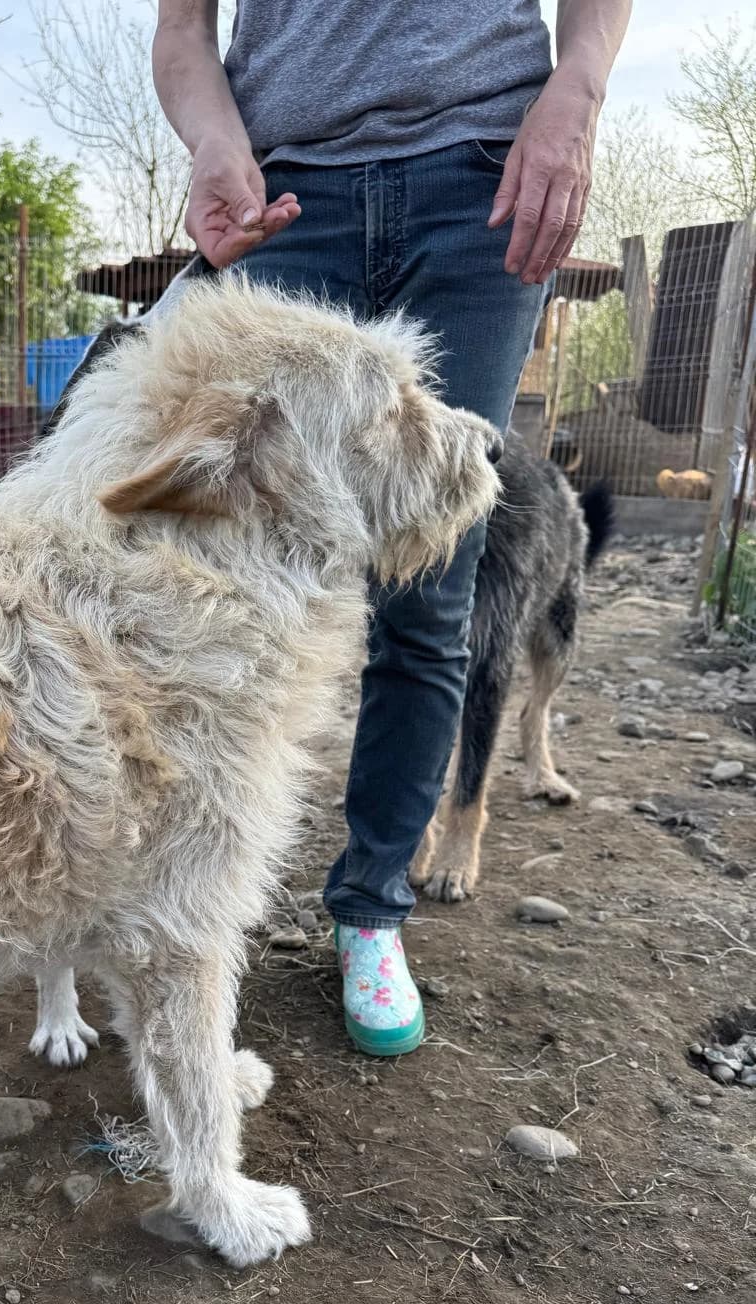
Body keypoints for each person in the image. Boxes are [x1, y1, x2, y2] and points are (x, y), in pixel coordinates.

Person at [151, 0, 631, 1056]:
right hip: (284, 193)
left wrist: (579, 85)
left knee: (435, 580)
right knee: (233, 585)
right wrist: (214, 137)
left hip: (482, 182)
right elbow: (182, 27)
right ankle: (183, 909)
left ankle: (369, 908)